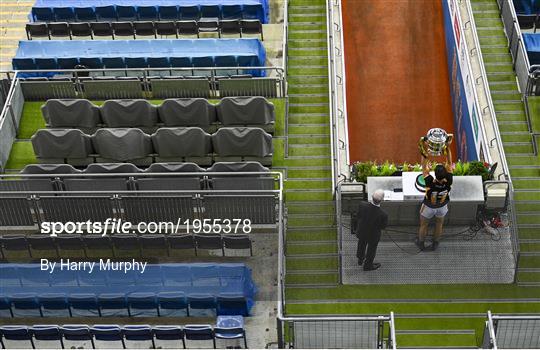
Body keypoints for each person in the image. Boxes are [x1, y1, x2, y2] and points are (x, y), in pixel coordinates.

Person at [416, 149, 453, 251]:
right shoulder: (449, 180)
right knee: (439, 224)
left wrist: (425, 152)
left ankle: (421, 243)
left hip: (428, 206)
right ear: (445, 173)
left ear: (435, 174)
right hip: (442, 207)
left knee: (423, 225)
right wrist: (447, 147)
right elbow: (449, 163)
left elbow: (423, 166)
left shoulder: (429, 181)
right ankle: (435, 242)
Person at [354, 189, 388, 271]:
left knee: (361, 244)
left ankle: (360, 258)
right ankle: (368, 265)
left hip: (362, 231)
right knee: (371, 250)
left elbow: (358, 216)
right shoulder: (383, 214)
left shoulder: (362, 205)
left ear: (372, 197)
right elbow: (383, 227)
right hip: (373, 236)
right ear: (382, 199)